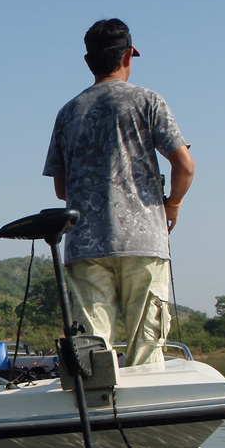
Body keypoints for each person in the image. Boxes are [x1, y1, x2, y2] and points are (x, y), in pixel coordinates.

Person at [43, 18, 195, 367]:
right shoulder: (148, 101)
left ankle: (97, 415)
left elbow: (60, 189)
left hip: (84, 246)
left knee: (92, 354)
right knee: (147, 351)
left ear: (88, 62)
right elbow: (184, 166)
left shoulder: (67, 113)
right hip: (143, 242)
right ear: (128, 56)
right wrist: (172, 204)